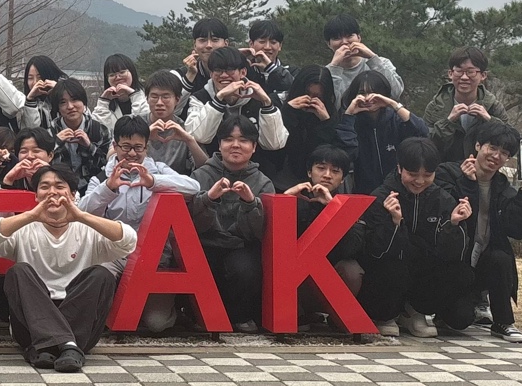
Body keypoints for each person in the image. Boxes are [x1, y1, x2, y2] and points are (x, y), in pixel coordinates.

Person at [0, 164, 136, 372]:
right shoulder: (25, 228)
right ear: (36, 196)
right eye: (44, 187)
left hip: (80, 321)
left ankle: (48, 347)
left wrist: (81, 216)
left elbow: (129, 241)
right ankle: (67, 345)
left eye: (59, 186)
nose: (52, 192)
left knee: (101, 274)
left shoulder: (87, 228)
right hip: (31, 323)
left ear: (73, 194)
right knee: (18, 272)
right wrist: (31, 216)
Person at [80, 116, 200, 333]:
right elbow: (83, 212)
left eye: (138, 147)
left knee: (157, 323)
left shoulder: (159, 170)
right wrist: (108, 188)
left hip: (153, 258)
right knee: (98, 297)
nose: (132, 154)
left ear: (146, 147)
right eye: (126, 147)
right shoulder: (101, 177)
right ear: (115, 146)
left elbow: (194, 187)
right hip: (112, 254)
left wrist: (154, 182)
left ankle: (169, 311)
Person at [432, 121, 522, 343]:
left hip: (483, 262)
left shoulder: (502, 187)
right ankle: (444, 308)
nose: (496, 156)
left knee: (501, 257)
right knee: (459, 319)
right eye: (493, 147)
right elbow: (447, 212)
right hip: (451, 262)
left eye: (504, 153)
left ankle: (503, 322)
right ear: (478, 145)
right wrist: (468, 184)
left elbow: (520, 231)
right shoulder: (448, 173)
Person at [357, 137, 474, 338]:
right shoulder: (381, 197)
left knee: (462, 274)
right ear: (399, 168)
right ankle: (386, 315)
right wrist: (394, 223)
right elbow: (374, 253)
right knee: (393, 268)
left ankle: (414, 312)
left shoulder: (443, 199)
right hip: (389, 271)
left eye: (427, 175)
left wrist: (454, 224)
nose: (419, 181)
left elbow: (452, 255)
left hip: (422, 275)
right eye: (412, 174)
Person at [189, 115, 275, 333]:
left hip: (241, 246)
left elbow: (259, 233)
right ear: (219, 145)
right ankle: (200, 315)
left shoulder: (263, 182)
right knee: (194, 263)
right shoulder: (200, 175)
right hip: (206, 243)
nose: (235, 145)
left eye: (243, 140)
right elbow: (190, 223)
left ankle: (239, 317)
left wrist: (250, 203)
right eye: (228, 139)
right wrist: (209, 198)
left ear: (254, 147)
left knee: (246, 268)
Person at [280, 145, 363, 323]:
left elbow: (353, 248)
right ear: (309, 172)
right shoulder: (295, 198)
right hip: (295, 280)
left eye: (335, 171)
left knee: (352, 270)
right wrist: (284, 200)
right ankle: (294, 314)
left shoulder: (349, 205)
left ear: (343, 179)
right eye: (321, 168)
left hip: (330, 276)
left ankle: (339, 318)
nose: (327, 175)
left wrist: (333, 208)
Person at [183, 48, 288, 170]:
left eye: (230, 70)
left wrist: (267, 104)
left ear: (243, 72)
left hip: (255, 170)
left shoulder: (258, 97)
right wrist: (219, 99)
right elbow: (200, 137)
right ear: (211, 74)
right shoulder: (199, 98)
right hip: (213, 171)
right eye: (218, 70)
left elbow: (274, 144)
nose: (224, 75)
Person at [345, 71, 428, 194]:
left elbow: (422, 132)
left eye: (373, 93)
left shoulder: (396, 119)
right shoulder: (352, 123)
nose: (367, 98)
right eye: (362, 93)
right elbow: (344, 152)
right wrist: (348, 115)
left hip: (400, 191)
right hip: (365, 192)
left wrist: (392, 104)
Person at [427, 47, 509, 163]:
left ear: (483, 75)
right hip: (444, 170)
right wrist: (448, 122)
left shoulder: (493, 106)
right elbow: (427, 146)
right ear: (450, 74)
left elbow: (509, 143)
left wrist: (489, 120)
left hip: (483, 171)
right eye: (459, 71)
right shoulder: (436, 107)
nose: (464, 77)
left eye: (471, 72)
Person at [273, 66, 345, 189]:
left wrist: (326, 122)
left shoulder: (329, 111)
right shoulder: (278, 102)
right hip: (280, 178)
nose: (310, 100)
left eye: (317, 96)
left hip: (315, 182)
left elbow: (332, 150)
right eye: (307, 94)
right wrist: (287, 112)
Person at [45, 79, 109, 195]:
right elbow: (42, 165)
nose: (70, 106)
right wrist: (56, 143)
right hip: (59, 190)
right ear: (57, 108)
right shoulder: (49, 133)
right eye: (63, 102)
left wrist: (89, 146)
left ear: (83, 102)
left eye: (74, 99)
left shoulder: (99, 130)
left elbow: (108, 166)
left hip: (93, 190)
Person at [139, 70, 206, 174]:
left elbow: (205, 167)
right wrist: (143, 137)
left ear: (177, 99)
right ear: (147, 98)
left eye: (165, 97)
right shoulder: (134, 123)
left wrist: (189, 140)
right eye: (154, 97)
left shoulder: (184, 127)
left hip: (175, 182)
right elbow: (113, 154)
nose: (159, 103)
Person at [324, 14, 404, 99]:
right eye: (336, 38)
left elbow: (396, 93)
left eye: (349, 36)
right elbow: (329, 102)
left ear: (358, 37)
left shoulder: (381, 63)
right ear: (328, 44)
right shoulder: (325, 72)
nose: (344, 42)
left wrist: (372, 57)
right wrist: (334, 67)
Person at [172, 18, 230, 96]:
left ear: (226, 44)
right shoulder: (178, 76)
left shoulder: (237, 74)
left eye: (215, 40)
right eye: (202, 40)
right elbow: (171, 102)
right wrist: (190, 75)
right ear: (194, 45)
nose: (209, 45)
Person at [90, 54, 148, 130]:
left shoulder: (148, 98)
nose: (118, 77)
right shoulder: (106, 106)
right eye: (112, 75)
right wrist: (103, 102)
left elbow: (145, 122)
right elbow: (97, 130)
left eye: (122, 72)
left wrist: (134, 95)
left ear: (132, 73)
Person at [245, 19, 294, 99]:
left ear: (280, 46)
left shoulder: (292, 72)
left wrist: (271, 68)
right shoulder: (244, 72)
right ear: (251, 44)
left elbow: (296, 89)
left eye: (273, 42)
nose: (267, 47)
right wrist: (238, 55)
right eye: (262, 42)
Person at [21, 55, 66, 130]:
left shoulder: (69, 91)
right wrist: (30, 100)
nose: (35, 82)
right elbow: (32, 131)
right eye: (30, 78)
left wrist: (60, 90)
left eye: (40, 77)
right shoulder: (23, 104)